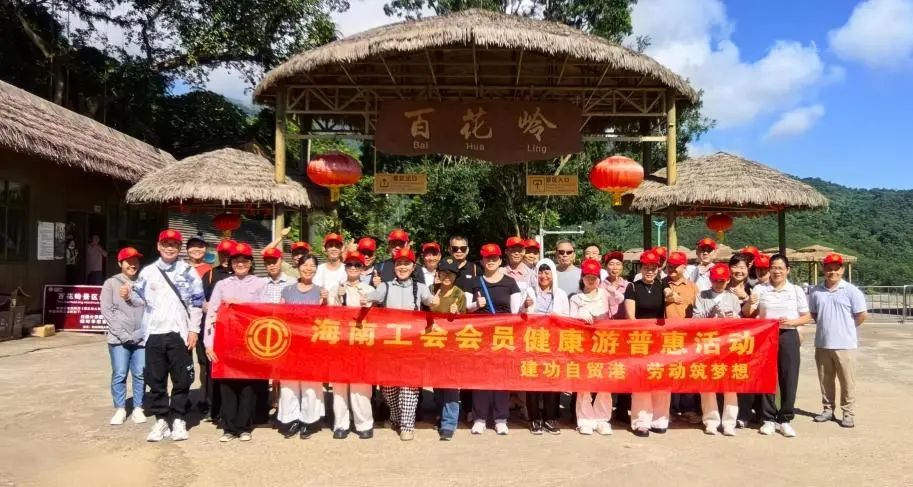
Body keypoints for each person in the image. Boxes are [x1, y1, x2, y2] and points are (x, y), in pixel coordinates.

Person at [129, 229, 204, 442]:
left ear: (179, 248)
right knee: (156, 380)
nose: (170, 248)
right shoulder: (148, 272)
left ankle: (178, 418)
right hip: (154, 333)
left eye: (174, 244)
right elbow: (139, 300)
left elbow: (197, 302)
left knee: (182, 379)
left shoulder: (188, 271)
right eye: (166, 244)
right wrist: (127, 296)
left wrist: (194, 330)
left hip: (180, 333)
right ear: (158, 246)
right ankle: (161, 419)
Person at [363, 248, 435, 441]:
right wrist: (364, 298)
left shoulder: (420, 287)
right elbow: (371, 297)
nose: (402, 267)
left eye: (406, 264)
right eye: (399, 264)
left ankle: (407, 425)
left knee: (409, 386)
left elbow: (432, 301)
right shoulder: (385, 286)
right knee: (388, 387)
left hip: (412, 346)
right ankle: (395, 416)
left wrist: (437, 301)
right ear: (394, 267)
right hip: (389, 346)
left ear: (413, 267)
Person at [204, 242, 268, 442]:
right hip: (226, 342)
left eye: (244, 260)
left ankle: (244, 427)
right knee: (227, 385)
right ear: (230, 263)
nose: (240, 264)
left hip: (250, 342)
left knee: (248, 386)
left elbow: (265, 311)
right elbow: (212, 314)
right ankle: (229, 428)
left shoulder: (260, 284)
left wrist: (240, 305)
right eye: (236, 260)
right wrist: (208, 343)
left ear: (251, 263)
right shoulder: (222, 285)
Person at [744, 254, 812, 438]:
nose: (777, 271)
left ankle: (785, 418)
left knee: (789, 376)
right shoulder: (760, 288)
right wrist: (750, 302)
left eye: (781, 268)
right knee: (767, 376)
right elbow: (748, 313)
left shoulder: (795, 290)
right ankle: (768, 418)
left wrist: (792, 322)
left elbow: (807, 316)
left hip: (788, 335)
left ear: (787, 270)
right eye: (773, 267)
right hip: (766, 336)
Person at [468, 243, 523, 436]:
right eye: (487, 258)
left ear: (500, 260)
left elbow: (516, 312)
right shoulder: (475, 282)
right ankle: (480, 418)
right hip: (480, 336)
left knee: (501, 376)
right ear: (482, 261)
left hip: (502, 335)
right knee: (480, 376)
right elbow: (466, 308)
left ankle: (501, 418)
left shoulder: (510, 283)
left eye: (494, 258)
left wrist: (526, 307)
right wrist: (476, 305)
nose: (490, 261)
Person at [809, 253, 868, 428]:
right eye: (829, 269)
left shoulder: (851, 291)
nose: (832, 272)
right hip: (823, 343)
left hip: (845, 345)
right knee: (825, 380)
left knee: (847, 381)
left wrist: (846, 328)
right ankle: (828, 409)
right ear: (823, 270)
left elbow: (861, 315)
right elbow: (814, 314)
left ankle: (848, 413)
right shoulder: (816, 291)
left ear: (842, 270)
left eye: (836, 269)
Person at [277, 255, 328, 439]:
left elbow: (327, 319)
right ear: (298, 267)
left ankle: (309, 420)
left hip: (311, 345)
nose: (308, 268)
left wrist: (325, 302)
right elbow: (279, 315)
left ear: (316, 269)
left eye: (312, 265)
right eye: (304, 265)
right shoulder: (287, 290)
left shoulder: (321, 291)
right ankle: (291, 420)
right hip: (290, 344)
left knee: (310, 385)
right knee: (289, 384)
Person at [327, 251, 375, 440]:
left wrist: (367, 305)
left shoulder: (369, 290)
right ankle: (341, 424)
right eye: (349, 265)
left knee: (361, 386)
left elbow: (376, 317)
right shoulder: (335, 288)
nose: (353, 268)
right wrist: (338, 299)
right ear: (345, 267)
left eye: (357, 265)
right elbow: (330, 315)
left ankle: (364, 423)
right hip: (340, 341)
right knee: (339, 386)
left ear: (363, 269)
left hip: (362, 342)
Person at [520, 258, 568, 435]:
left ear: (553, 274)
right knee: (533, 380)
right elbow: (519, 316)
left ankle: (550, 417)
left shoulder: (561, 294)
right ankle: (534, 418)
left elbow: (567, 318)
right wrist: (525, 306)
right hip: (533, 341)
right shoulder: (529, 292)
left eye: (547, 272)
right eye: (540, 272)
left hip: (554, 343)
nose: (544, 276)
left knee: (552, 379)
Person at [694, 263, 742, 436]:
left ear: (728, 280)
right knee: (707, 384)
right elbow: (695, 319)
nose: (718, 284)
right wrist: (709, 315)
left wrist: (733, 317)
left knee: (730, 384)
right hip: (708, 343)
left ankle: (729, 422)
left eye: (722, 281)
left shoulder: (733, 298)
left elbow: (740, 322)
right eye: (715, 280)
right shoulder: (702, 296)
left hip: (728, 345)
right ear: (710, 280)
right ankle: (711, 420)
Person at [624, 250, 668, 437]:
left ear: (658, 269)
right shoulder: (632, 287)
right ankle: (641, 421)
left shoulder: (663, 286)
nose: (649, 271)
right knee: (642, 381)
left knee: (661, 379)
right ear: (640, 268)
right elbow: (630, 316)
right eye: (646, 267)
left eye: (653, 268)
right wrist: (643, 334)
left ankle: (660, 419)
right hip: (640, 339)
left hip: (660, 340)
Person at [102, 247, 147, 426]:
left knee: (140, 373)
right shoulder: (111, 283)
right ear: (120, 263)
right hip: (118, 339)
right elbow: (107, 311)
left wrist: (140, 333)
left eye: (136, 261)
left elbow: (150, 309)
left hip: (141, 338)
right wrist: (122, 334)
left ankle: (138, 408)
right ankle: (120, 408)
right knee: (120, 373)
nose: (133, 265)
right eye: (129, 261)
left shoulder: (144, 283)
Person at [570, 259, 614, 436]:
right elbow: (570, 321)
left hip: (603, 343)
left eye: (594, 277)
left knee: (604, 382)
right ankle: (584, 419)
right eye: (587, 276)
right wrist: (580, 316)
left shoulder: (604, 294)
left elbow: (618, 304)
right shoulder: (576, 298)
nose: (591, 280)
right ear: (582, 278)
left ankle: (602, 419)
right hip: (583, 345)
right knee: (584, 382)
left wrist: (612, 291)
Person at [428, 258, 467, 441]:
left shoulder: (459, 294)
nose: (447, 276)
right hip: (433, 343)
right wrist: (431, 306)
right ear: (438, 273)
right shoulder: (431, 290)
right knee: (437, 383)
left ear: (455, 276)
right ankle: (440, 415)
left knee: (451, 384)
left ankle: (449, 424)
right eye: (443, 272)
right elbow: (420, 315)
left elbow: (465, 323)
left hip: (452, 346)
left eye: (451, 273)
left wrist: (456, 314)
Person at [198, 238, 235, 419]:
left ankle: (230, 407)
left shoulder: (241, 274)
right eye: (223, 254)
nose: (226, 257)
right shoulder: (211, 274)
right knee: (210, 367)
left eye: (229, 254)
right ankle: (212, 406)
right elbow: (200, 298)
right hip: (214, 329)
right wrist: (206, 306)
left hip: (234, 331)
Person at [664, 251, 700, 425]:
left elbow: (699, 311)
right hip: (665, 336)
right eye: (669, 265)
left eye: (676, 265)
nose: (672, 268)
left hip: (687, 337)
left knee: (687, 373)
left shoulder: (692, 287)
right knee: (667, 373)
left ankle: (688, 409)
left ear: (684, 267)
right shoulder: (660, 284)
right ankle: (668, 409)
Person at [728, 254, 761, 427]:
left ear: (748, 269)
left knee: (745, 376)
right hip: (725, 340)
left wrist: (746, 298)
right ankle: (727, 414)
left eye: (742, 267)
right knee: (727, 376)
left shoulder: (755, 288)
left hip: (748, 340)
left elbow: (755, 313)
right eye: (735, 267)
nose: (739, 271)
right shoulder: (722, 285)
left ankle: (744, 413)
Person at [601, 250, 631, 423]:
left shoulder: (628, 286)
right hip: (604, 333)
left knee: (624, 371)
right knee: (604, 372)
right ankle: (603, 409)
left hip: (623, 333)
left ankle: (622, 409)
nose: (614, 267)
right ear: (606, 267)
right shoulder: (599, 285)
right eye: (611, 264)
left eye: (618, 264)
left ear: (622, 267)